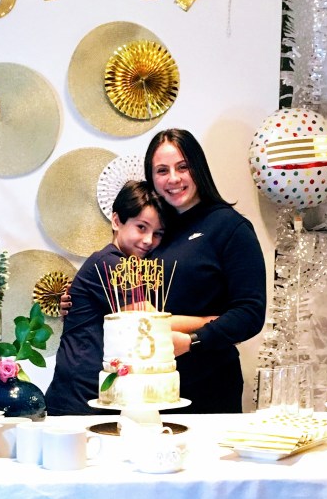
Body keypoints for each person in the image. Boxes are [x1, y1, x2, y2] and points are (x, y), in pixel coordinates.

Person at [45, 180, 214, 415]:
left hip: (95, 394)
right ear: (116, 221)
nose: (148, 240)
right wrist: (214, 321)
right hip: (80, 399)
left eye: (157, 233)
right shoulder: (112, 264)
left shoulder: (118, 263)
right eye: (141, 227)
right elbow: (151, 323)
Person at [144, 128, 267, 413]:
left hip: (208, 386)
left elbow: (250, 313)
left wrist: (191, 342)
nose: (173, 178)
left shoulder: (230, 227)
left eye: (183, 167)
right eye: (162, 170)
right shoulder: (153, 233)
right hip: (150, 386)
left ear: (198, 168)